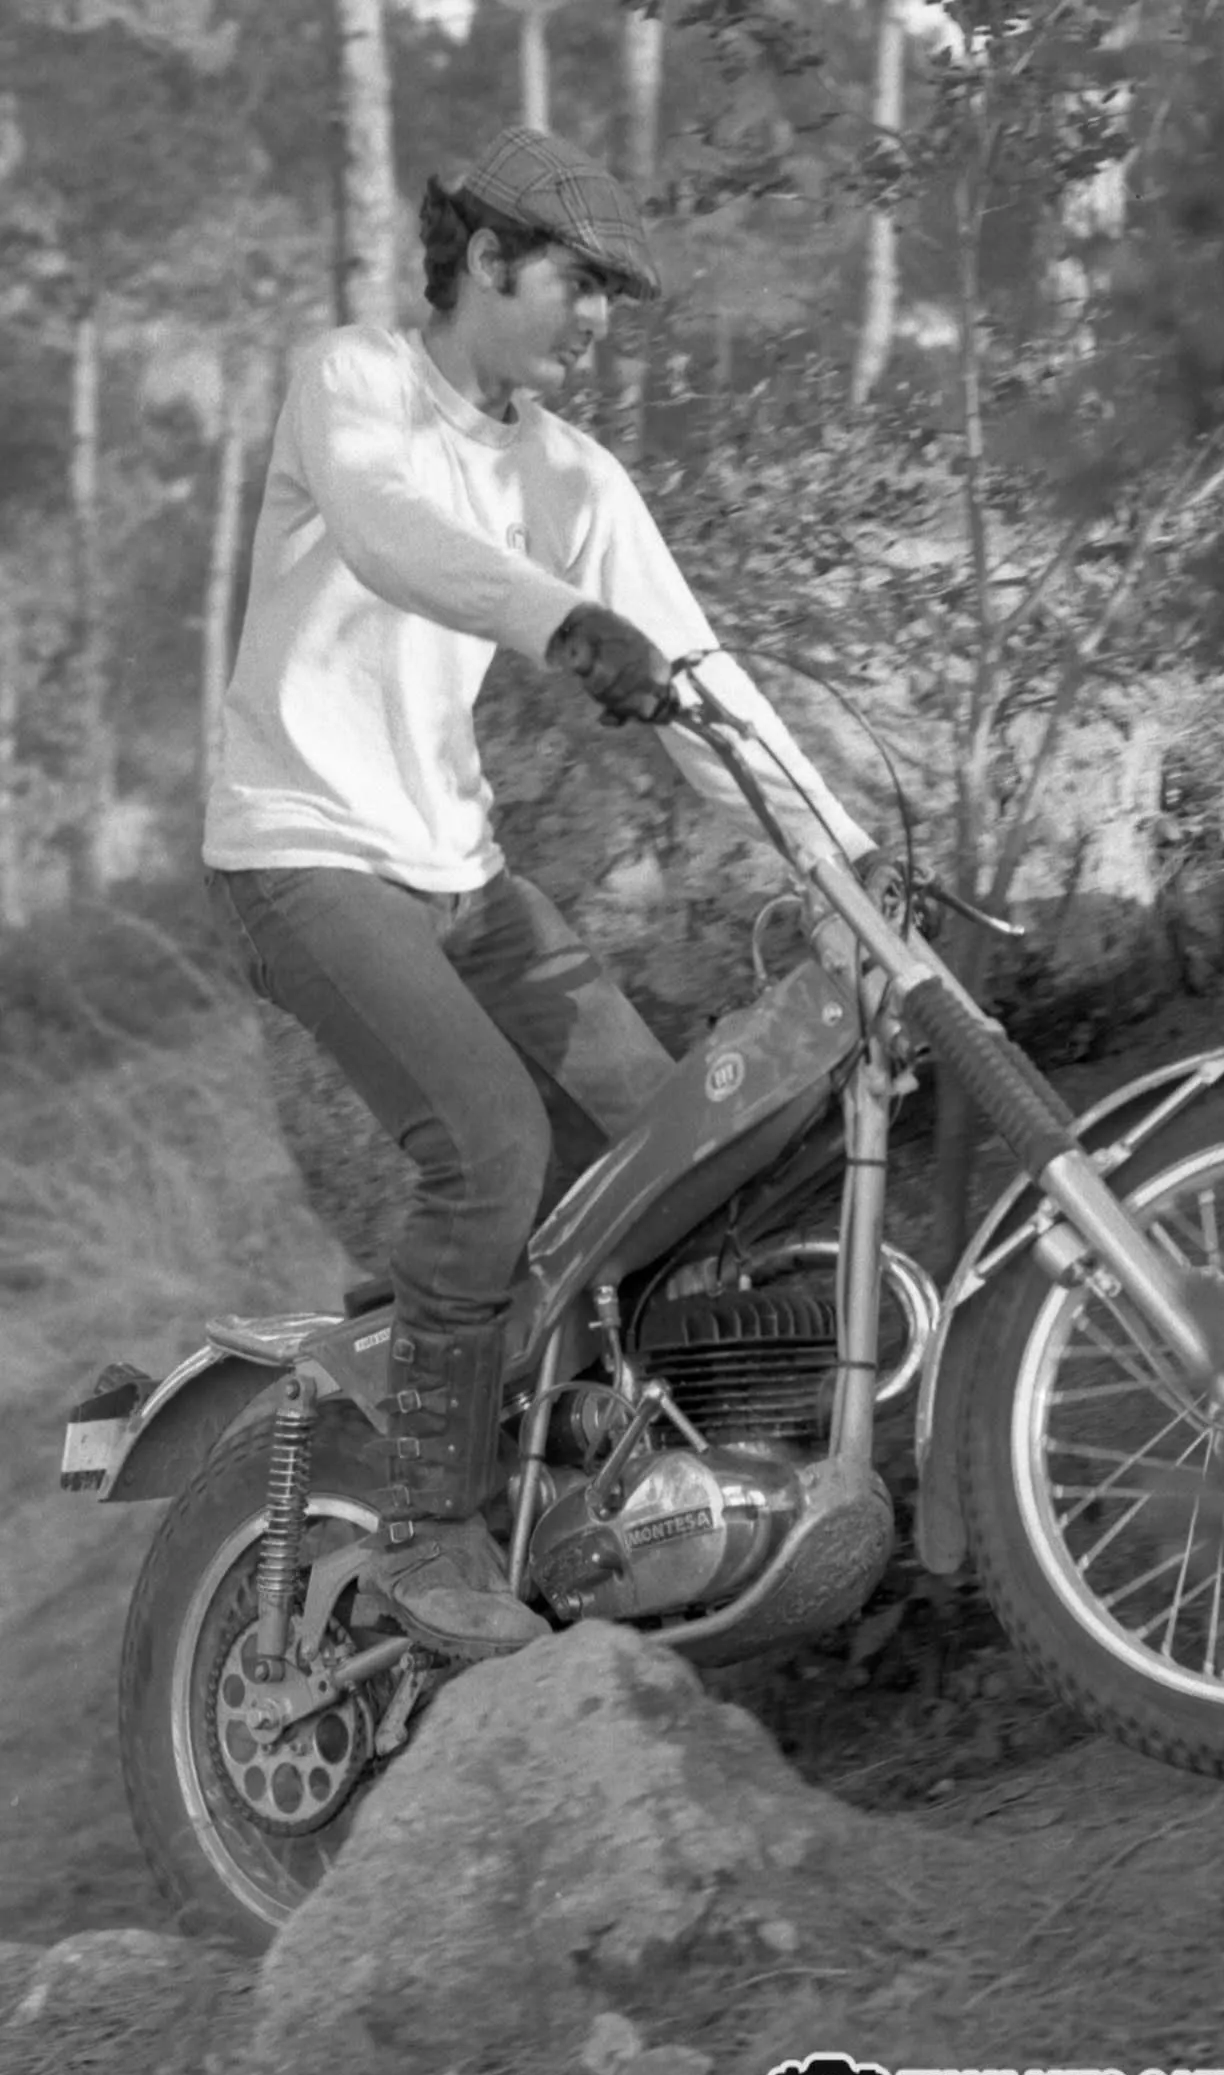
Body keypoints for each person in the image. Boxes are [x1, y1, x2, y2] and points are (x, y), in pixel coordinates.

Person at [203, 123, 875, 1660]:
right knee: (491, 1145)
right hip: (302, 856)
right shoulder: (352, 382)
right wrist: (564, 625)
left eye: (614, 300)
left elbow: (704, 683)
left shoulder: (571, 474)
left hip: (462, 874)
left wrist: (841, 859)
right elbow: (394, 539)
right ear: (489, 258)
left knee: (667, 1138)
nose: (598, 321)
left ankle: (598, 1470)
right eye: (581, 284)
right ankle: (428, 1532)